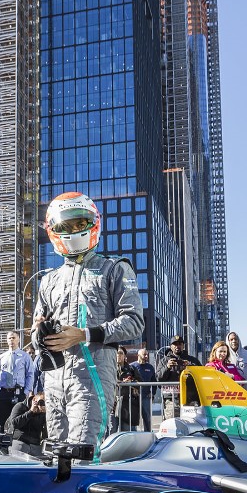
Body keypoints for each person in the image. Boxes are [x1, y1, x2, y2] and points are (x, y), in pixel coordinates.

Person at [33, 192, 145, 448]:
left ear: (93, 223)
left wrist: (84, 334)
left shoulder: (114, 268)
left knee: (82, 452)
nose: (73, 230)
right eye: (65, 225)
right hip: (54, 378)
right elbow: (34, 328)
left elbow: (134, 321)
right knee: (55, 456)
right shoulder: (48, 280)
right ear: (53, 230)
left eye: (79, 223)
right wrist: (38, 333)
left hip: (92, 374)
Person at [0, 330, 32, 434]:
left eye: (13, 338)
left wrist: (26, 391)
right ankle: (2, 445)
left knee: (18, 420)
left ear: (18, 339)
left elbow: (30, 374)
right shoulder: (2, 357)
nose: (11, 340)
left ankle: (17, 443)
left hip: (18, 392)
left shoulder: (24, 356)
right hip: (4, 393)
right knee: (2, 421)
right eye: (9, 338)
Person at [5, 390, 48, 458]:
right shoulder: (20, 406)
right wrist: (30, 412)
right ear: (34, 400)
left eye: (44, 403)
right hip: (20, 441)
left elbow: (46, 431)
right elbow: (14, 423)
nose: (41, 405)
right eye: (41, 402)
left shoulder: (43, 413)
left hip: (35, 444)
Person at [128, 347, 156, 431]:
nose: (146, 356)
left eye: (147, 354)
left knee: (147, 417)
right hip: (134, 397)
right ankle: (132, 434)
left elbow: (154, 381)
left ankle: (147, 433)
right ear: (138, 355)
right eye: (144, 354)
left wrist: (153, 393)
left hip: (146, 396)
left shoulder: (150, 367)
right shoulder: (132, 366)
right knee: (133, 417)